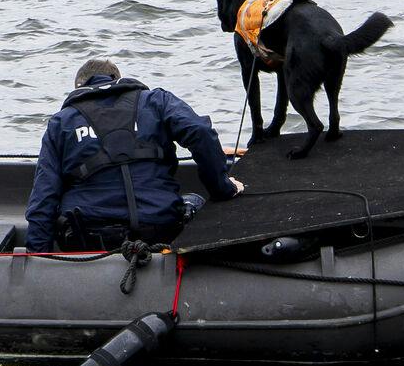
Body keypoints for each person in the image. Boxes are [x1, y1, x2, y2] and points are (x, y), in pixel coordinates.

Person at [24, 58, 244, 251]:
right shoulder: (156, 100)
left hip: (90, 236)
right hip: (160, 227)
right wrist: (222, 187)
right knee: (194, 201)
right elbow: (200, 131)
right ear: (116, 78)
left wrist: (38, 259)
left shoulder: (61, 123)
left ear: (80, 87)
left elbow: (43, 198)